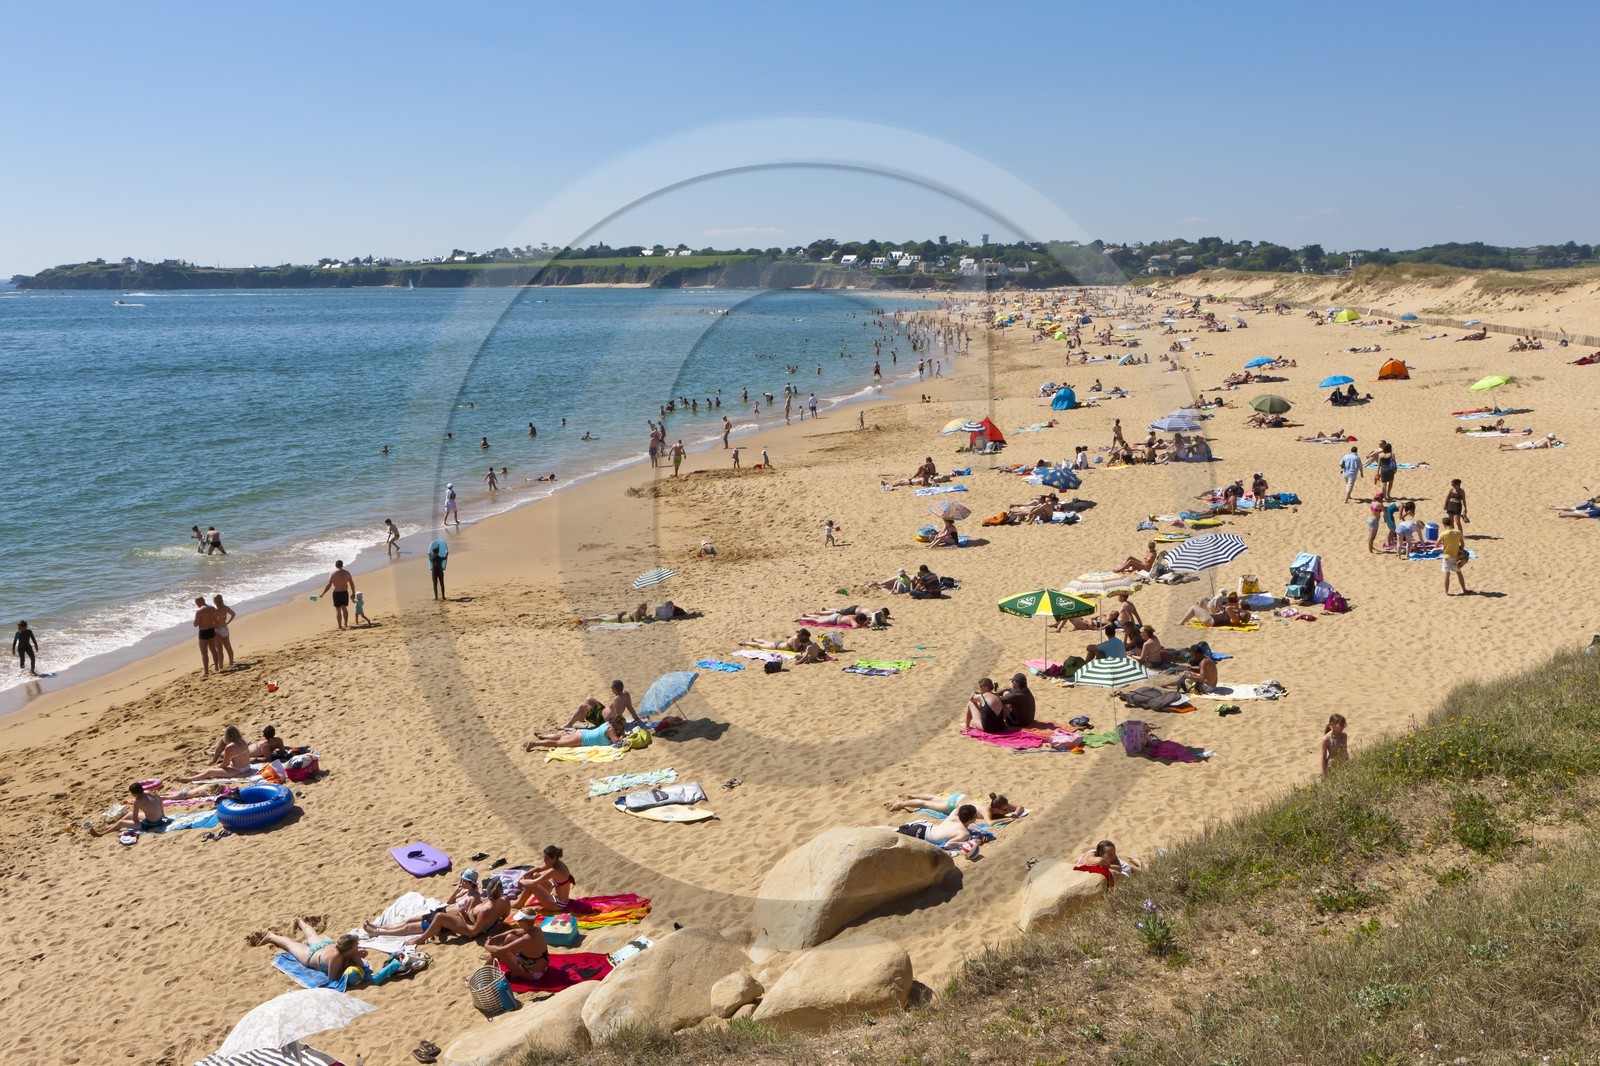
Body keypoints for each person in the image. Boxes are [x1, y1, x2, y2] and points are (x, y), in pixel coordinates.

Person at [262, 924, 365, 981]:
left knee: (311, 934)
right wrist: (347, 969)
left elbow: (360, 964)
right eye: (356, 945)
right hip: (311, 955)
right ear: (349, 948)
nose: (358, 946)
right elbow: (332, 978)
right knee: (289, 945)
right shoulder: (336, 957)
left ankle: (300, 920)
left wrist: (356, 957)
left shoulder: (346, 951)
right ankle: (271, 936)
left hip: (325, 945)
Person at [484, 909, 550, 981]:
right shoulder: (536, 928)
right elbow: (514, 931)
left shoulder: (526, 939)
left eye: (519, 921)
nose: (517, 922)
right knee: (509, 937)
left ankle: (483, 973)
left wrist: (486, 945)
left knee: (499, 953)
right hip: (542, 966)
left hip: (533, 974)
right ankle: (491, 958)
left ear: (525, 922)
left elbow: (498, 950)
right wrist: (496, 937)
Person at [563, 679, 643, 731]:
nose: (611, 689)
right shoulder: (626, 694)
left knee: (582, 706)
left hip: (601, 720)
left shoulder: (617, 700)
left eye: (611, 688)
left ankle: (569, 724)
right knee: (589, 699)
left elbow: (618, 716)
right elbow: (630, 707)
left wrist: (618, 728)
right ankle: (580, 717)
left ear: (615, 689)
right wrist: (636, 718)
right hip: (602, 711)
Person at [884, 791, 1016, 822]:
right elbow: (989, 824)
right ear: (996, 809)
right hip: (954, 805)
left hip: (960, 797)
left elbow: (1018, 807)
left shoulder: (996, 803)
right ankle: (901, 804)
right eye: (1004, 810)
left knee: (935, 798)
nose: (1006, 811)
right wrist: (1008, 819)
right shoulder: (987, 810)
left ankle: (912, 795)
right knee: (927, 804)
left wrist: (1015, 812)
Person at [515, 845, 576, 911]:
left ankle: (519, 904)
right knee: (535, 875)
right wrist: (525, 874)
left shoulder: (554, 870)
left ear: (554, 858)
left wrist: (521, 881)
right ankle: (520, 902)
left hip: (558, 904)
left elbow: (534, 883)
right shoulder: (558, 863)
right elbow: (538, 869)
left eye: (547, 859)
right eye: (544, 858)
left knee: (532, 885)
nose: (545, 861)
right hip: (555, 893)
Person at [888, 803, 978, 846]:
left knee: (893, 830)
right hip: (922, 834)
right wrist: (969, 842)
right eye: (975, 815)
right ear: (971, 819)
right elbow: (948, 845)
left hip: (923, 824)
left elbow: (959, 809)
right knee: (891, 834)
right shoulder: (964, 833)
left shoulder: (954, 816)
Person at [522, 718, 623, 750]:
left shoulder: (608, 723)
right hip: (582, 739)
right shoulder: (611, 730)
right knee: (557, 743)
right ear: (617, 724)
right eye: (622, 725)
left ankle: (542, 736)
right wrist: (622, 734)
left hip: (583, 733)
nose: (623, 727)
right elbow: (617, 743)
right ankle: (534, 744)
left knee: (561, 737)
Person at [320, 561, 356, 630]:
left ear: (335, 565)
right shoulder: (347, 573)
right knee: (344, 608)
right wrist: (353, 593)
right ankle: (345, 624)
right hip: (345, 592)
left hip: (337, 593)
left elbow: (329, 584)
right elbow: (351, 583)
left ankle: (339, 626)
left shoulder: (332, 573)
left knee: (338, 610)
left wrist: (323, 593)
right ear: (342, 565)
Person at [192, 596, 222, 677]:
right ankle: (216, 667)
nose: (197, 605)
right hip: (211, 630)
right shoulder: (212, 608)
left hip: (203, 631)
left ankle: (206, 672)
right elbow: (216, 620)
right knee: (213, 650)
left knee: (204, 653)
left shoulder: (199, 611)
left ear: (198, 602)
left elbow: (195, 624)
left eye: (196, 604)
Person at [1440, 515, 1470, 595]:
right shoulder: (1458, 532)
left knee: (1447, 574)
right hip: (1455, 556)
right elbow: (1462, 544)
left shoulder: (1443, 534)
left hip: (1446, 556)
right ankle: (1464, 590)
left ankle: (1446, 592)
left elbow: (1436, 544)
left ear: (1444, 524)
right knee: (1459, 572)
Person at [211, 594, 236, 668]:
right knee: (228, 647)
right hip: (225, 629)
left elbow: (213, 621)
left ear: (214, 601)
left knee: (219, 650)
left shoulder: (215, 610)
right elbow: (233, 614)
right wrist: (228, 622)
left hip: (218, 631)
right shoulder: (225, 608)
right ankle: (231, 663)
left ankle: (221, 666)